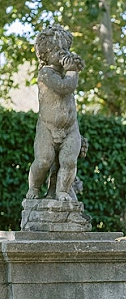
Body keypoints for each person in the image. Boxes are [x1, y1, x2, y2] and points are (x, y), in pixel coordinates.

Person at [26, 24, 85, 201]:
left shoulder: (67, 71)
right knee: (43, 161)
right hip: (47, 128)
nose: (62, 53)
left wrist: (74, 67)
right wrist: (73, 71)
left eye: (65, 49)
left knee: (68, 161)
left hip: (70, 128)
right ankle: (34, 187)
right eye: (57, 50)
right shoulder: (45, 73)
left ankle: (62, 191)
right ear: (44, 54)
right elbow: (64, 87)